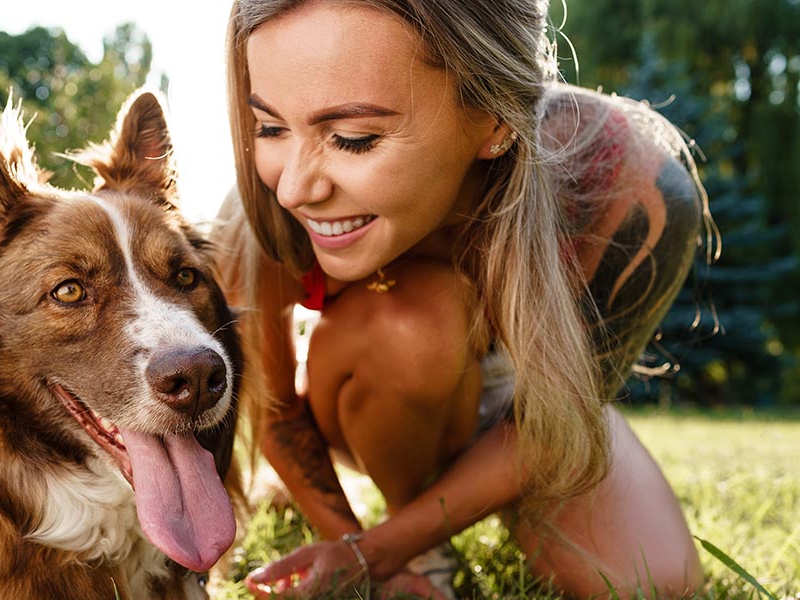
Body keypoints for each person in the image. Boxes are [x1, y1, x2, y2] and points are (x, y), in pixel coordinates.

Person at [211, 0, 713, 598]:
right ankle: (411, 517)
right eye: (270, 128)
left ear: (493, 121)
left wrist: (376, 553)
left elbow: (543, 431)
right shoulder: (260, 219)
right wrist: (360, 550)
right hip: (370, 385)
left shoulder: (628, 191)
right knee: (421, 321)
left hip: (534, 400)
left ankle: (415, 522)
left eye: (352, 139)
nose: (294, 189)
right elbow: (278, 412)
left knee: (652, 582)